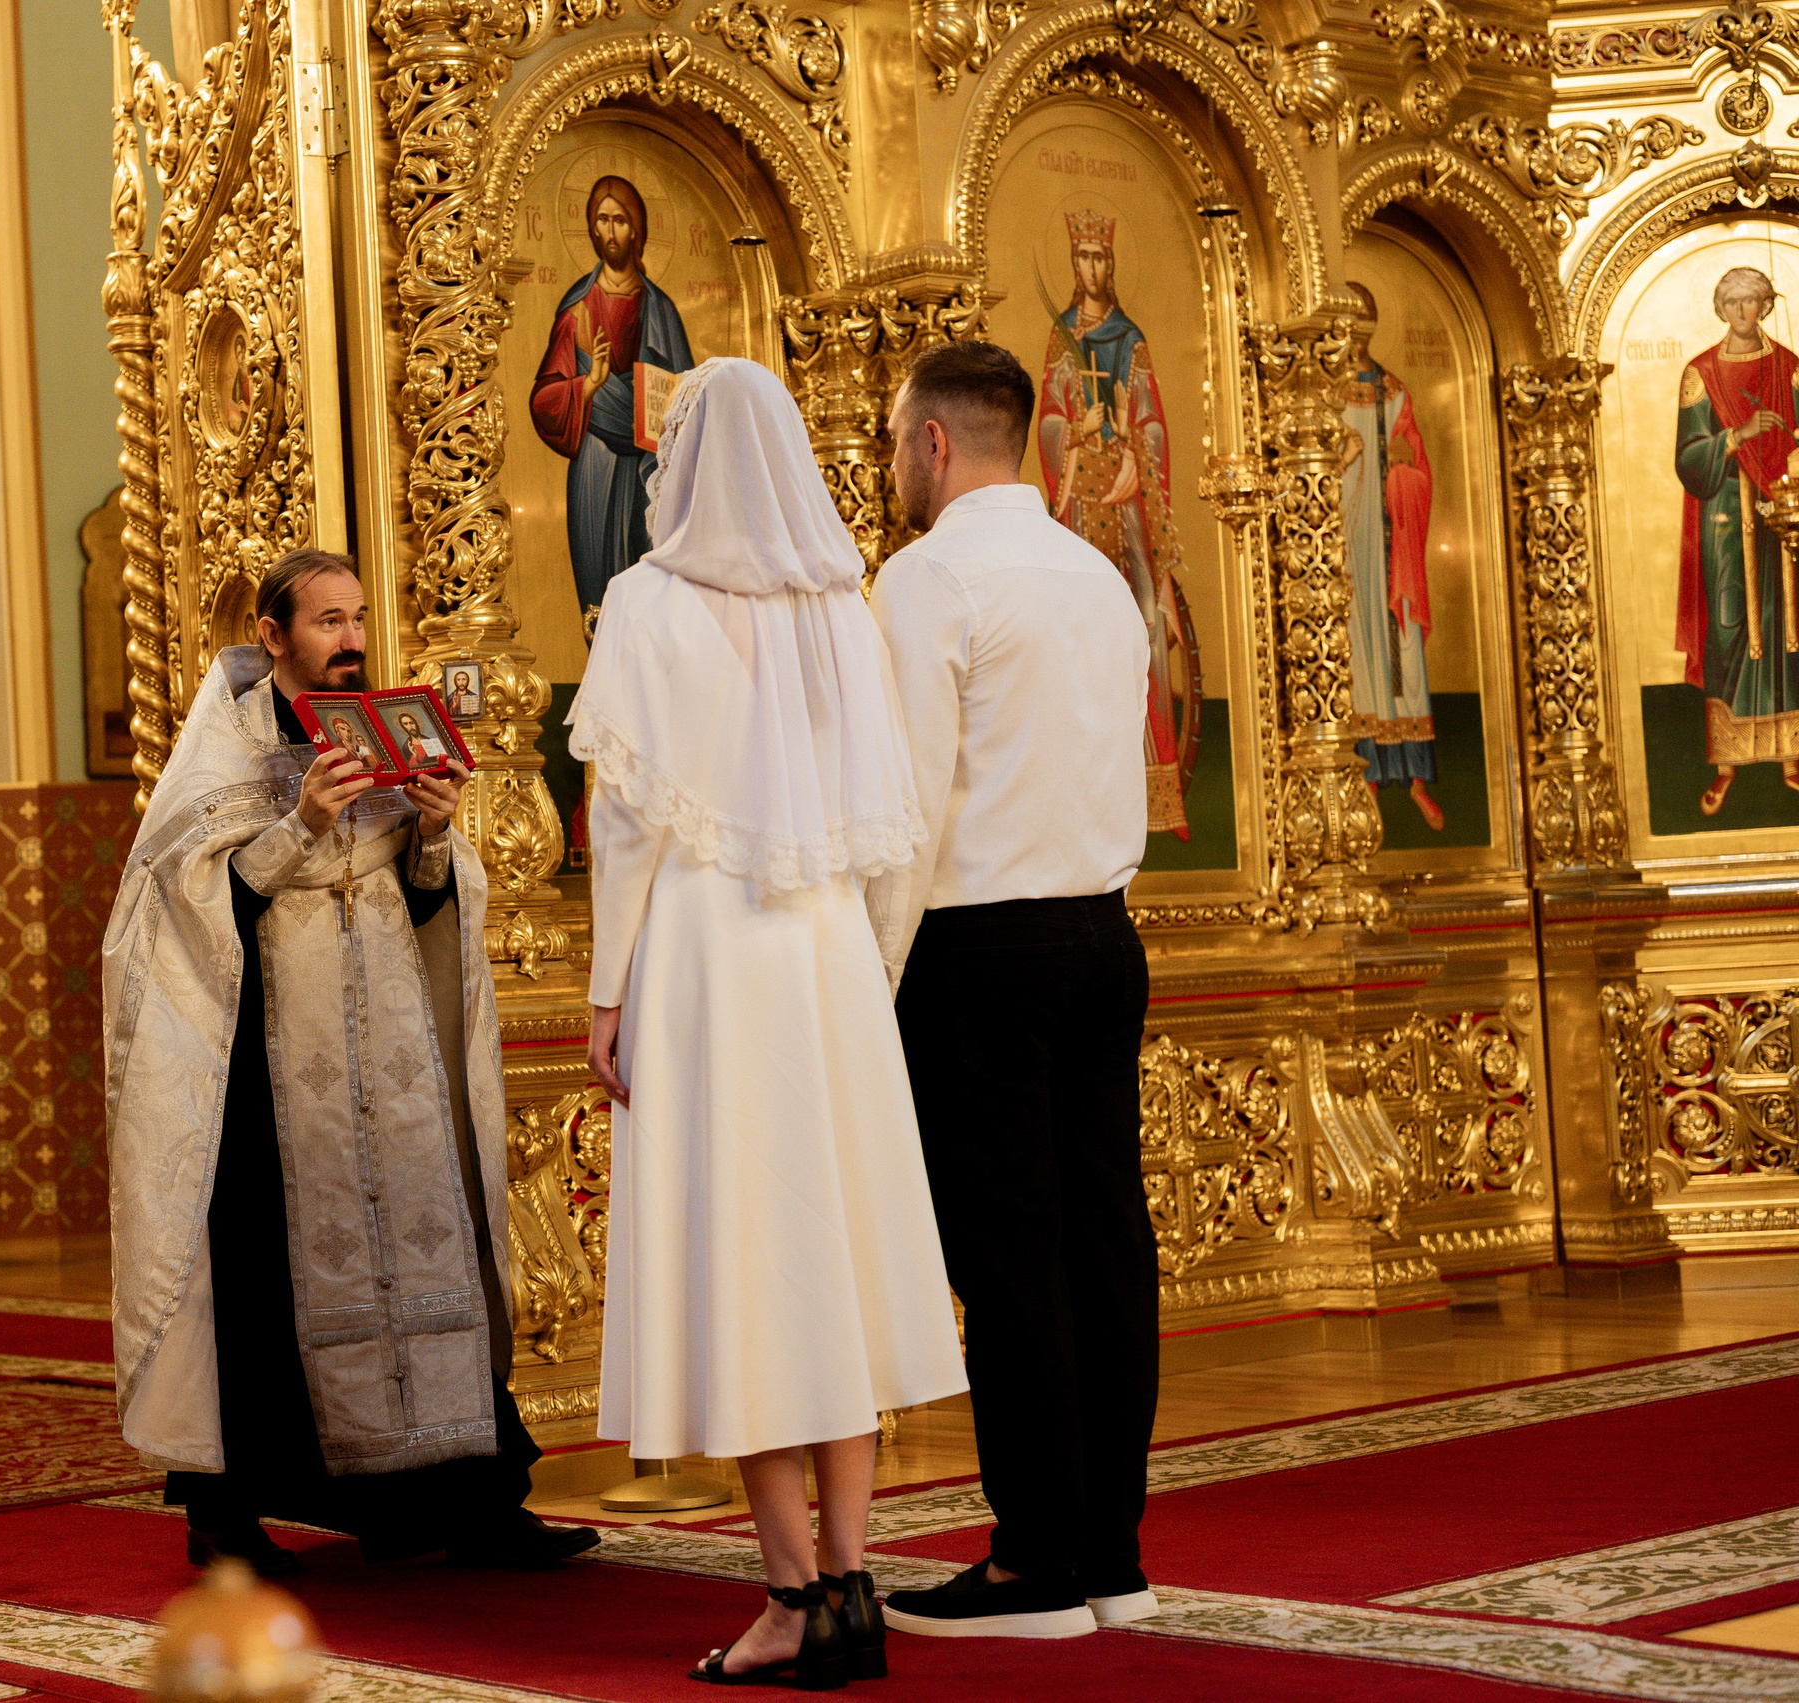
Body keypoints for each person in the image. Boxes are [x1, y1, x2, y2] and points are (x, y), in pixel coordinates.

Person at [574, 358, 967, 1685]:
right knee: (829, 1268)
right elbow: (892, 821)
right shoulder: (842, 609)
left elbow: (623, 819)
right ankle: (854, 1578)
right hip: (824, 955)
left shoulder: (642, 601)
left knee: (746, 1268)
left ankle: (793, 1592)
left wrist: (604, 989)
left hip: (701, 946)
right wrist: (865, 968)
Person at [103, 548, 598, 1574]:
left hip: (393, 1059)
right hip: (268, 1071)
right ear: (273, 636)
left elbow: (428, 902)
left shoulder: (385, 730)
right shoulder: (220, 753)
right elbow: (186, 909)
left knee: (435, 1246)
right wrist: (302, 825)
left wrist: (430, 832)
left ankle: (473, 1502)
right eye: (327, 621)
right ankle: (227, 1517)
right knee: (255, 1278)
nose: (351, 639)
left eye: (358, 617)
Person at [868, 342, 1158, 1639]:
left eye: (891, 444)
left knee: (1012, 1255)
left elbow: (908, 803)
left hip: (979, 948)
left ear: (933, 444)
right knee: (1106, 1242)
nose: (889, 469)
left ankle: (1033, 1558)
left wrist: (869, 979)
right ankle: (1109, 1547)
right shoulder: (1095, 570)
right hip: (1103, 933)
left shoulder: (928, 577)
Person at [1037, 209, 1191, 840]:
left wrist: (1132, 438)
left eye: (1102, 257)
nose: (1093, 268)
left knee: (1146, 623)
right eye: (1084, 257)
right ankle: (1082, 791)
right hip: (1081, 506)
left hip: (1128, 500)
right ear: (1074, 264)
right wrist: (1075, 431)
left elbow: (1154, 423)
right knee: (1079, 634)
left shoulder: (1131, 338)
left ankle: (1160, 789)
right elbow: (1047, 418)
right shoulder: (1060, 339)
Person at [529, 174, 696, 615]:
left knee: (651, 569)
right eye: (601, 220)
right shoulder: (576, 307)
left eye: (619, 220)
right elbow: (545, 399)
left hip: (649, 462)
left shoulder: (660, 309)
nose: (609, 231)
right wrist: (587, 385)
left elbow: (689, 402)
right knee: (598, 579)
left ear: (635, 228)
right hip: (596, 459)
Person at [1675, 263, 1799, 815]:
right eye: (1735, 303)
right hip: (1726, 519)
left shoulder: (1789, 368)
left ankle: (1790, 754)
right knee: (1730, 626)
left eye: (1755, 302)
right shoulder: (1699, 374)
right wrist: (1736, 437)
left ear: (1767, 307)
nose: (1745, 312)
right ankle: (1726, 765)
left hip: (1783, 509)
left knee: (1785, 625)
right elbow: (1688, 458)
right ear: (1721, 309)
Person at [1341, 284, 1444, 833]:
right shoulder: (1327, 390)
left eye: (1367, 316)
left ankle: (1418, 781)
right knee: (1360, 655)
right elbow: (1312, 472)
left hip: (1393, 546)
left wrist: (1403, 472)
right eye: (1349, 317)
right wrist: (1348, 458)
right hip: (1350, 547)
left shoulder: (1395, 392)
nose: (1358, 327)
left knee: (1403, 652)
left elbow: (1420, 469)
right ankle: (1369, 780)